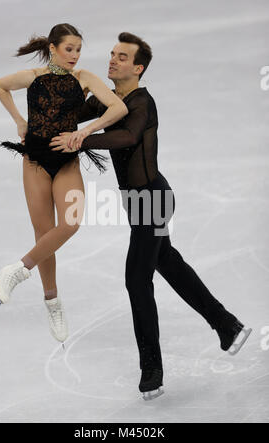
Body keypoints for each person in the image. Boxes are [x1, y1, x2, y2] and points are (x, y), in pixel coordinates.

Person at [49, 32, 252, 400]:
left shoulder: (143, 102)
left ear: (138, 68)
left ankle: (152, 370)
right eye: (111, 54)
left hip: (154, 199)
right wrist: (45, 103)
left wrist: (80, 139)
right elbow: (74, 113)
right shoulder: (108, 100)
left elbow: (127, 137)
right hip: (138, 203)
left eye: (122, 57)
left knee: (136, 279)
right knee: (169, 263)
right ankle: (228, 326)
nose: (112, 60)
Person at [0, 23, 128, 348]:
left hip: (67, 160)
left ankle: (16, 270)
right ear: (53, 48)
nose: (75, 55)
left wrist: (85, 132)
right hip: (34, 160)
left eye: (78, 49)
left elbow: (118, 108)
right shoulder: (32, 77)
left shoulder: (84, 79)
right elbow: (0, 85)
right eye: (69, 49)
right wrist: (19, 121)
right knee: (44, 233)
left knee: (71, 223)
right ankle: (53, 302)